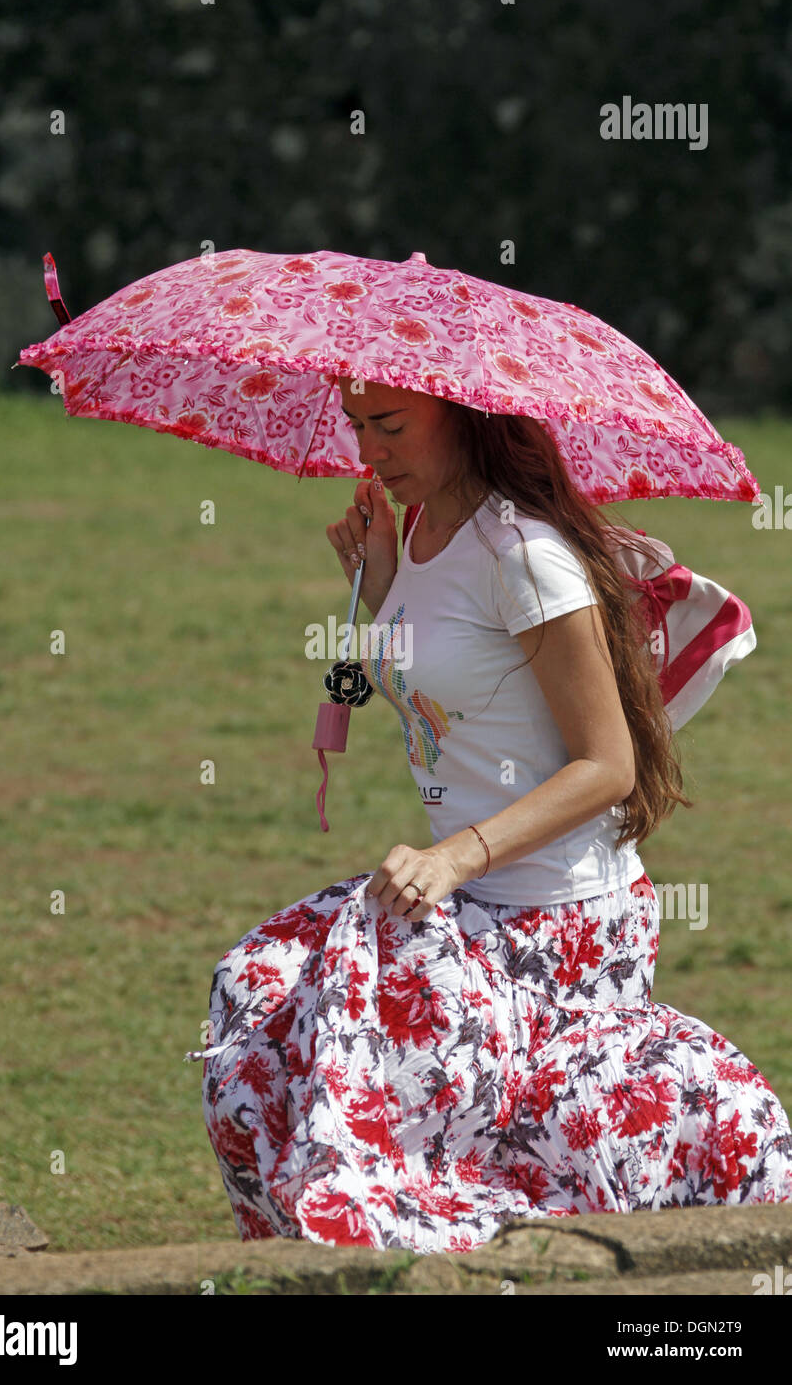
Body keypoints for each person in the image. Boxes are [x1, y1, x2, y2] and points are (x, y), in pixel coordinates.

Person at [196, 378, 792, 1254]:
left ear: (465, 415)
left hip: (558, 925)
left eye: (391, 426)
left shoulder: (525, 554)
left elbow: (610, 765)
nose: (369, 454)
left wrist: (457, 858)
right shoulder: (423, 537)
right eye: (358, 427)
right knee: (261, 1004)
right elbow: (461, 679)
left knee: (417, 1122)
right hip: (472, 910)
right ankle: (305, 1263)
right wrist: (387, 590)